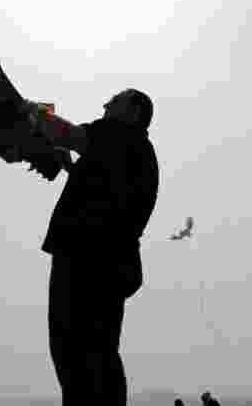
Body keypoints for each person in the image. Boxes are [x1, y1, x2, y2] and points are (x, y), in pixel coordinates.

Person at [24, 88, 159, 406]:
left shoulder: (118, 135)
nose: (106, 104)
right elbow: (107, 189)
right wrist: (72, 166)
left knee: (73, 348)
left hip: (87, 258)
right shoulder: (138, 150)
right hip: (111, 261)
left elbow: (68, 134)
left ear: (133, 112)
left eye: (116, 101)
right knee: (97, 349)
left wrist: (29, 110)